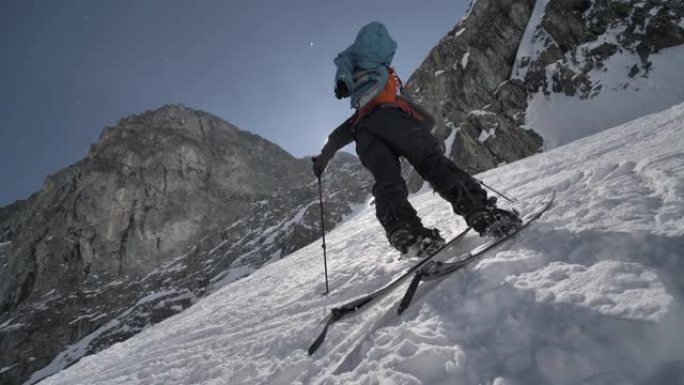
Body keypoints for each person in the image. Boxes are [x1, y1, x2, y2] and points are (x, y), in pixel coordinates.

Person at [312, 22, 520, 257]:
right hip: (395, 119)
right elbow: (426, 119)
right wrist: (427, 135)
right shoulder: (389, 93)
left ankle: (405, 231)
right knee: (431, 162)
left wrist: (322, 159)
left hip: (365, 136)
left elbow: (337, 136)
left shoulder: (358, 116)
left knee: (387, 180)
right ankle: (479, 211)